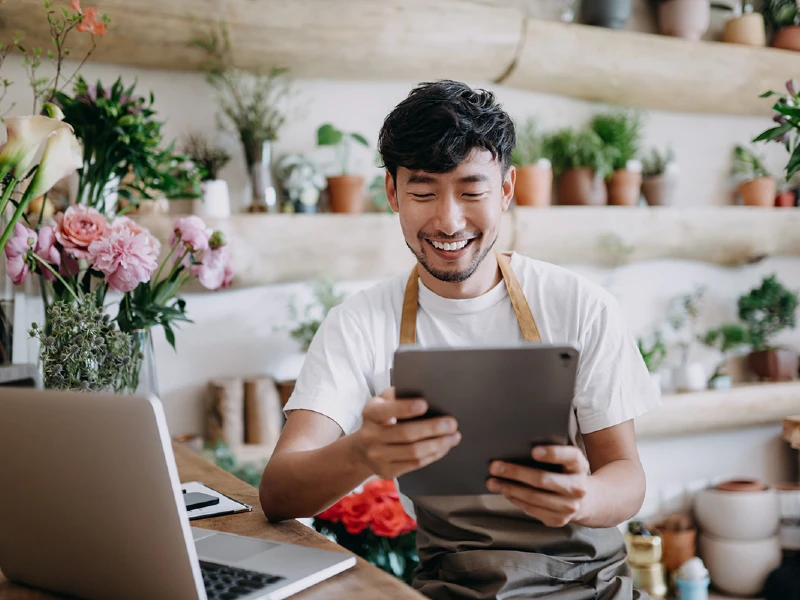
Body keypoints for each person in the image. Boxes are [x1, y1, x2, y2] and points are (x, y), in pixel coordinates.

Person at [259, 79, 661, 599]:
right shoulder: (358, 323)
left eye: (472, 191)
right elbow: (277, 491)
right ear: (391, 193)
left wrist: (582, 497)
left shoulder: (580, 305)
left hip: (589, 586)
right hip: (453, 588)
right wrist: (362, 452)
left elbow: (626, 475)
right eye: (423, 192)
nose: (448, 221)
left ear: (508, 190)